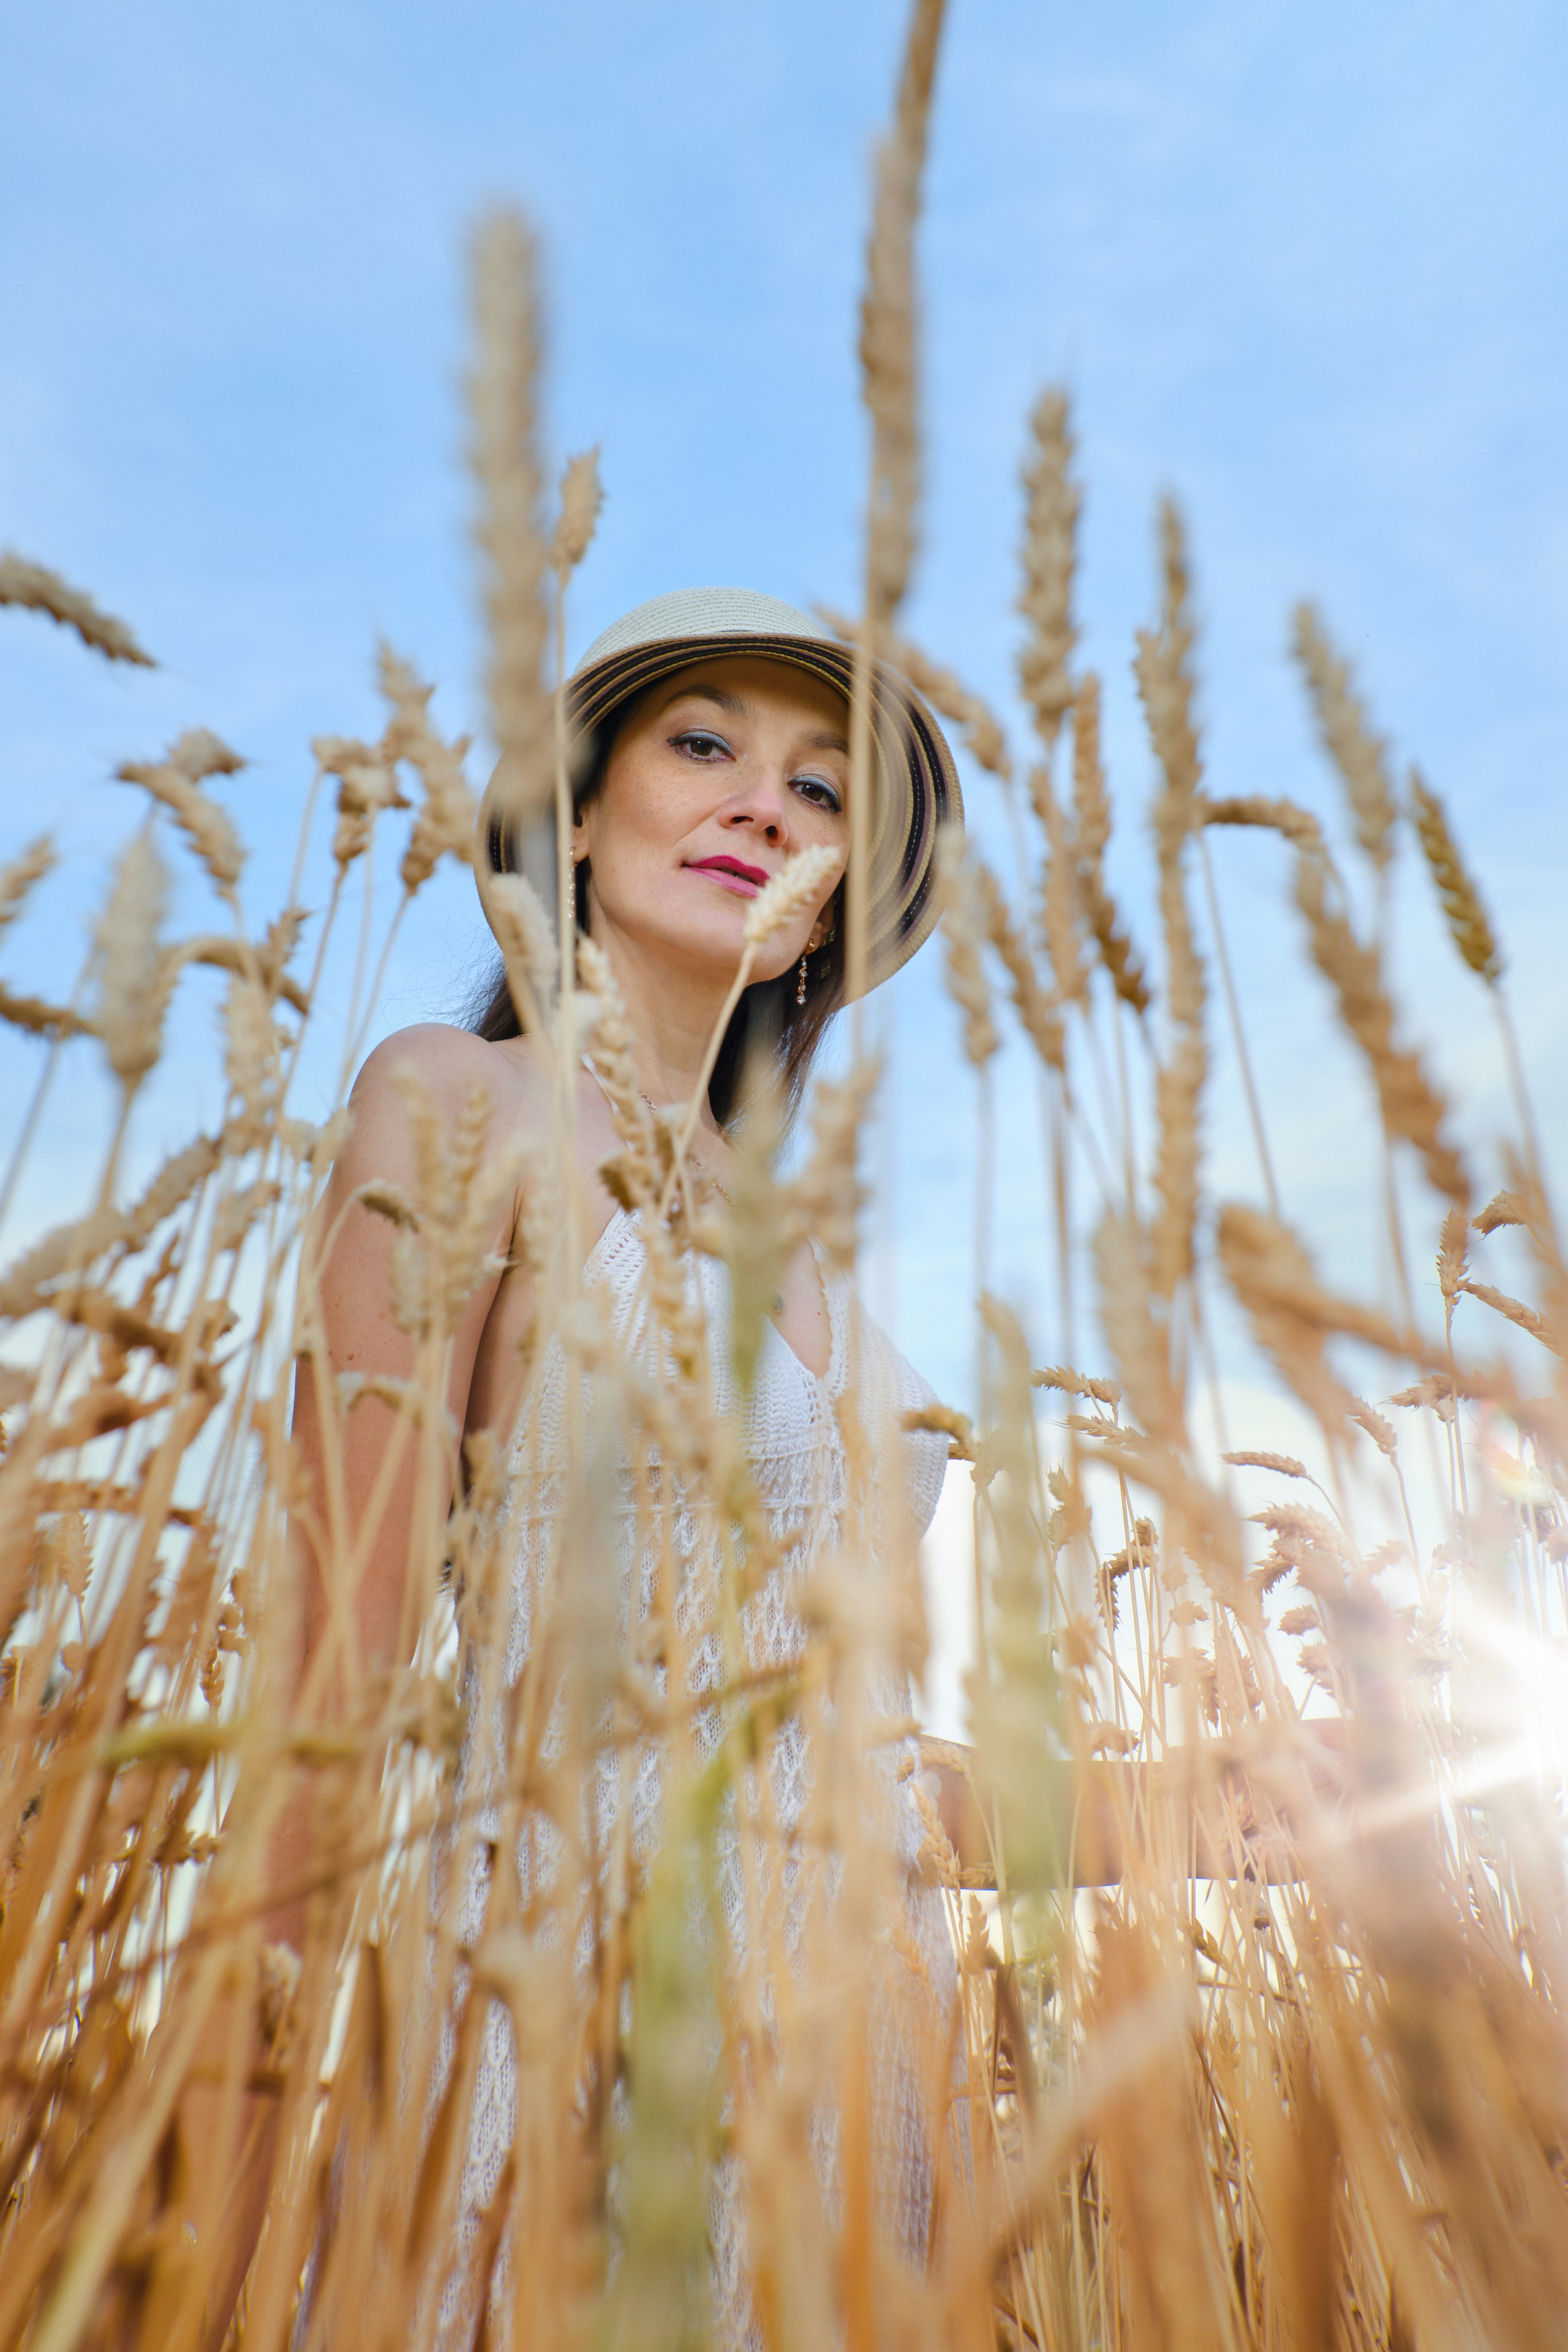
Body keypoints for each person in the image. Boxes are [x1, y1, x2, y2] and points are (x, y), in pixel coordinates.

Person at [271, 589, 970, 2345]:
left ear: (835, 907)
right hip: (549, 2042)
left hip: (867, 2090)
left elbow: (847, 1763)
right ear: (579, 816)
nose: (764, 808)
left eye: (822, 793)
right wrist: (218, 2196)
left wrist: (1235, 1798)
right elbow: (325, 1695)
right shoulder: (460, 1105)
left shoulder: (823, 1259)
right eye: (708, 746)